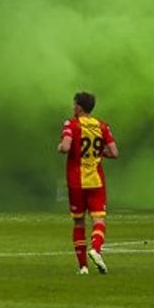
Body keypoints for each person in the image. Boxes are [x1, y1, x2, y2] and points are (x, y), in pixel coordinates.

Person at [57, 91, 118, 275]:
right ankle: (96, 249)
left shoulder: (71, 124)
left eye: (74, 104)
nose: (72, 107)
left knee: (78, 223)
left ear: (79, 107)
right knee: (99, 219)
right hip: (96, 181)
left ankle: (83, 267)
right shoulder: (102, 126)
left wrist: (60, 147)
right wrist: (100, 154)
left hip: (76, 182)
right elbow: (114, 153)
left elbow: (66, 147)